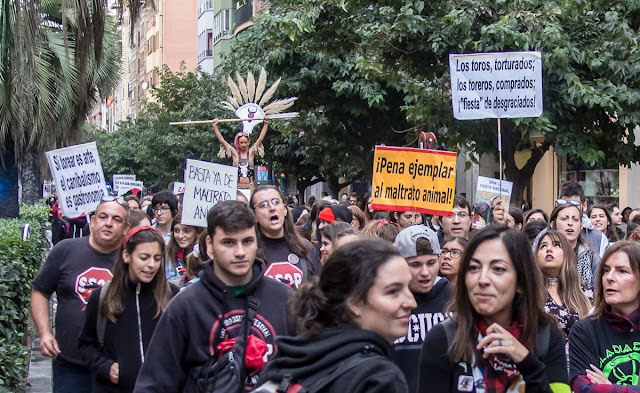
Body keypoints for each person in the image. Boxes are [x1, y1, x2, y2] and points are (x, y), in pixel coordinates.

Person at [133, 201, 294, 393]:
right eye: (228, 242)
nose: (240, 252)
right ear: (209, 244)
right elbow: (155, 383)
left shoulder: (285, 299)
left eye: (247, 241)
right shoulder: (185, 306)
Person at [418, 226, 569, 393]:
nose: (482, 280)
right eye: (474, 268)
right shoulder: (443, 338)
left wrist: (527, 362)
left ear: (520, 282)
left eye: (498, 269)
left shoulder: (546, 335)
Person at [256, 239, 416, 393]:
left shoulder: (285, 360)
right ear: (354, 302)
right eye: (393, 291)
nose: (411, 302)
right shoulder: (378, 377)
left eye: (409, 287)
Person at [31, 199, 130, 393]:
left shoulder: (131, 260)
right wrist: (44, 333)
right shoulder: (65, 250)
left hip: (115, 366)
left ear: (126, 228)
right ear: (92, 221)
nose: (108, 223)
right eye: (103, 217)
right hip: (70, 364)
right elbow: (40, 291)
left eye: (116, 219)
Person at [78, 226, 179, 393]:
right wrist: (105, 368)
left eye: (157, 258)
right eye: (144, 258)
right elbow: (86, 345)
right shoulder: (103, 296)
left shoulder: (172, 296)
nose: (151, 265)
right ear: (126, 256)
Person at [569, 241, 640, 391]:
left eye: (622, 271)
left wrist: (609, 388)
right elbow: (583, 388)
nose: (609, 277)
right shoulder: (584, 330)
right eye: (606, 270)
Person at [393, 226, 453, 393]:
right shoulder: (388, 304)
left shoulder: (457, 300)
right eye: (416, 265)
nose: (425, 272)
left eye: (431, 263)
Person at [251, 185, 322, 287]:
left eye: (276, 202)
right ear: (254, 216)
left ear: (285, 209)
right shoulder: (249, 254)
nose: (272, 208)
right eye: (263, 205)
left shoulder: (306, 248)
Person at [533, 229, 592, 343]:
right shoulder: (529, 293)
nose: (549, 249)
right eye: (543, 246)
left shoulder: (586, 291)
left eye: (557, 245)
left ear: (567, 253)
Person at [550, 202, 601, 286]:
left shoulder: (593, 259)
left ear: (581, 227)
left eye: (575, 219)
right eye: (564, 219)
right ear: (553, 224)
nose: (570, 223)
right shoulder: (544, 255)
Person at [212, 117, 269, 189]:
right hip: (236, 186)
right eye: (241, 142)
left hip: (250, 186)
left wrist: (266, 124)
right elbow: (222, 141)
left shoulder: (251, 152)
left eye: (245, 142)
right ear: (238, 143)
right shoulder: (234, 153)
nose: (243, 144)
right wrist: (215, 127)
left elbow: (260, 139)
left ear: (248, 143)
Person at [558, 182, 609, 257]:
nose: (569, 208)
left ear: (584, 206)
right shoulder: (544, 237)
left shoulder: (599, 239)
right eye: (564, 204)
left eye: (574, 204)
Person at [165, 213, 204, 284]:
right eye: (176, 231)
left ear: (197, 232)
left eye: (186, 231)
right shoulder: (165, 255)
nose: (180, 236)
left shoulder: (204, 256)